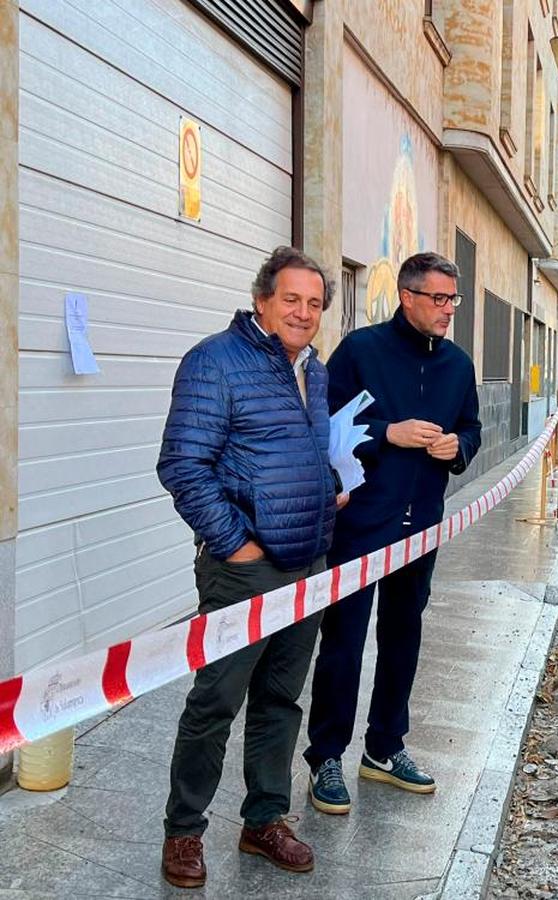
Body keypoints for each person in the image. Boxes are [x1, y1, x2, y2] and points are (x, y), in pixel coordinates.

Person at [157, 247, 339, 888]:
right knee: (215, 702)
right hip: (245, 571)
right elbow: (183, 465)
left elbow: (305, 451)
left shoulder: (312, 372)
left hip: (306, 563)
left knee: (280, 700)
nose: (304, 312)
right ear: (262, 300)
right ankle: (184, 832)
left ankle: (264, 820)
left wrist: (326, 491)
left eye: (315, 303)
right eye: (291, 299)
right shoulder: (216, 361)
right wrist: (236, 544)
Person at [304, 252, 482, 814]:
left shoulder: (457, 364)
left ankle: (384, 749)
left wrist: (461, 448)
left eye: (453, 299)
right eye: (439, 298)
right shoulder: (361, 350)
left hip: (421, 525)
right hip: (360, 525)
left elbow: (471, 426)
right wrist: (389, 432)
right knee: (345, 642)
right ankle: (326, 756)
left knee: (404, 637)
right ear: (407, 297)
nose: (448, 309)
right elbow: (325, 425)